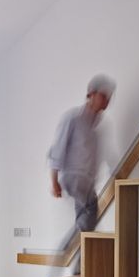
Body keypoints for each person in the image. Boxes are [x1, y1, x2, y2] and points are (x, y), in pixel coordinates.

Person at [48, 74, 116, 256]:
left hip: (88, 182)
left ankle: (79, 263)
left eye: (109, 97)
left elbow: (104, 155)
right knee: (88, 215)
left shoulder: (97, 128)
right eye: (103, 95)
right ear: (91, 94)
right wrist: (54, 180)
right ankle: (68, 247)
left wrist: (114, 172)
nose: (107, 100)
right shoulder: (73, 118)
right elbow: (58, 148)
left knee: (88, 221)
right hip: (73, 178)